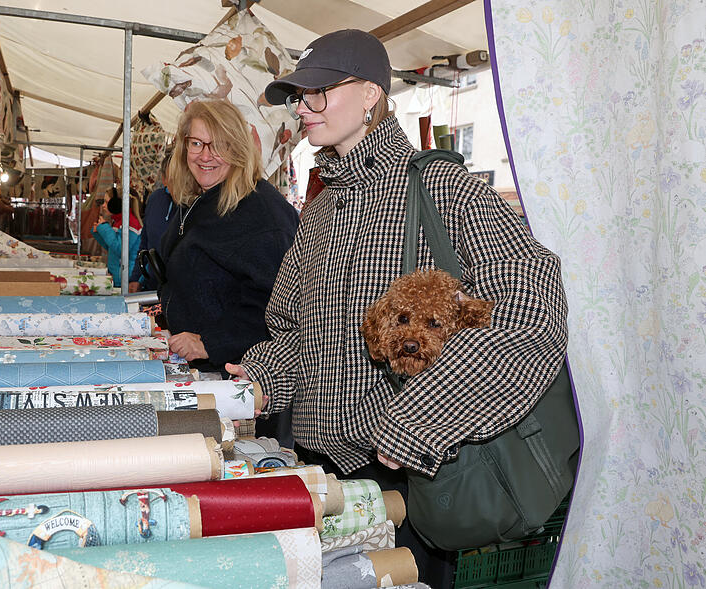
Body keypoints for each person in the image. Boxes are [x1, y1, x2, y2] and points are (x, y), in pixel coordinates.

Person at [225, 29, 569, 587]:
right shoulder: (319, 211)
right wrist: (258, 381)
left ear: (369, 94)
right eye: (298, 97)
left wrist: (422, 419)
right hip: (323, 472)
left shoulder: (441, 187)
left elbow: (529, 305)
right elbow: (294, 329)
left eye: (319, 93)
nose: (304, 109)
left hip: (410, 479)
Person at [159, 100, 299, 380]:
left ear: (238, 148)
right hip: (199, 369)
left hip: (240, 378)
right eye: (197, 143)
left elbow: (283, 305)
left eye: (219, 145)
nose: (205, 156)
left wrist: (210, 342)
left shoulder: (261, 211)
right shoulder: (200, 200)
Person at [130, 149, 175, 293]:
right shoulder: (155, 199)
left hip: (179, 291)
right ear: (164, 179)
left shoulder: (195, 205)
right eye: (172, 178)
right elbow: (144, 242)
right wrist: (136, 278)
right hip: (151, 287)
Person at [91, 188, 141, 287]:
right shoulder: (118, 221)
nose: (103, 205)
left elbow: (120, 249)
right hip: (118, 277)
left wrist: (104, 227)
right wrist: (99, 232)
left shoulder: (130, 223)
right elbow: (111, 247)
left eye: (106, 202)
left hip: (126, 280)